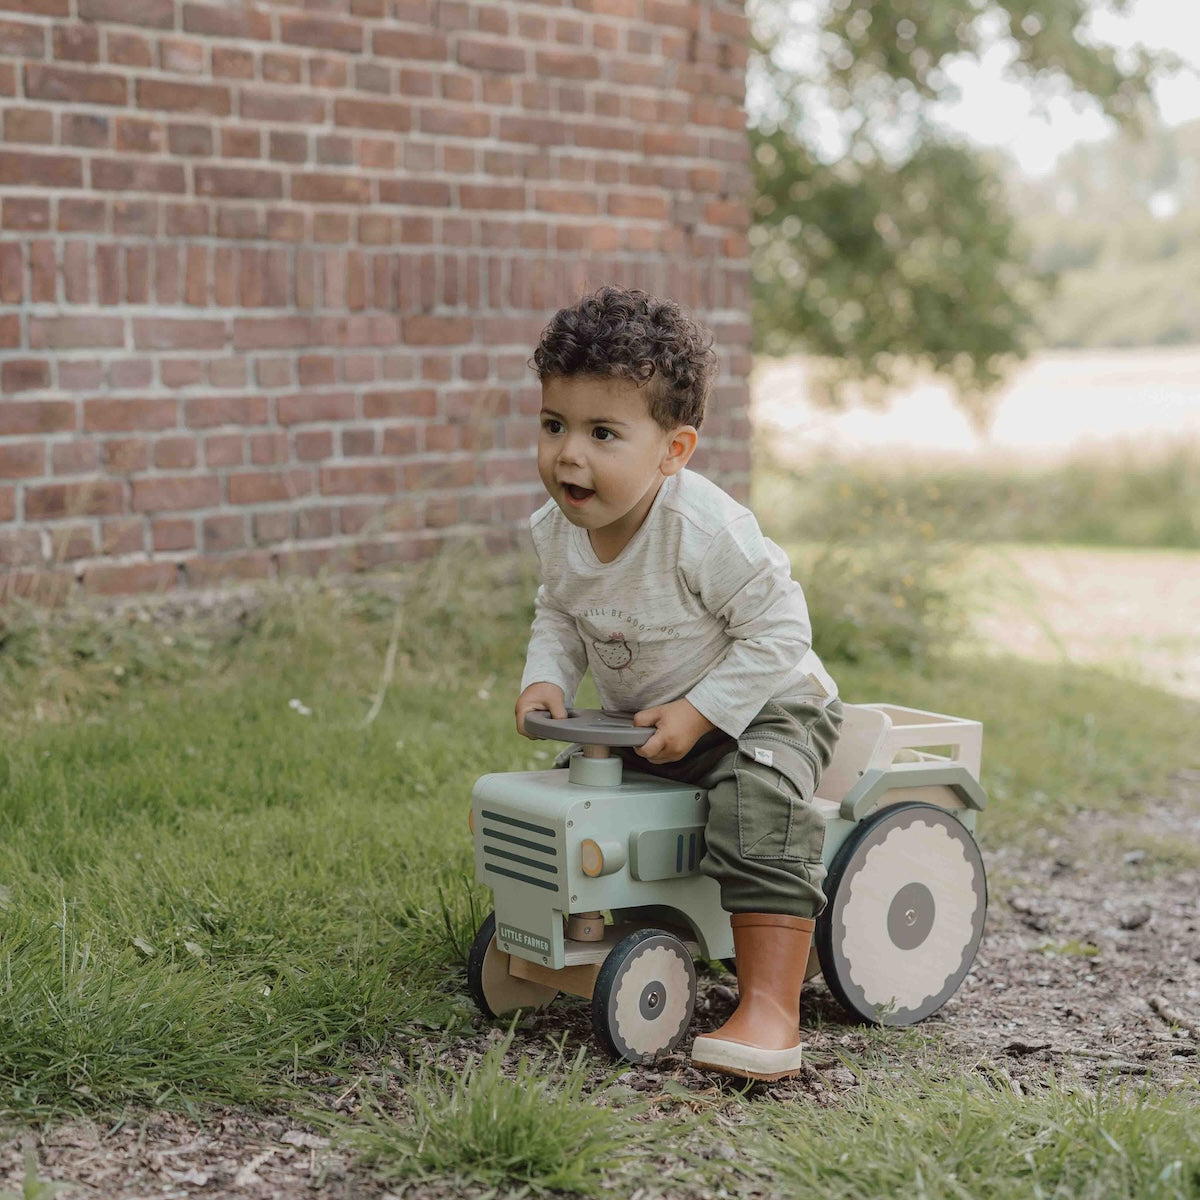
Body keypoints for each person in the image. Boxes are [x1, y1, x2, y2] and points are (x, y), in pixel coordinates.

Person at [513, 285, 843, 1081]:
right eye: (554, 425)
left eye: (602, 433)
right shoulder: (556, 532)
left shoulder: (702, 529)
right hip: (657, 717)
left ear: (675, 449)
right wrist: (545, 680)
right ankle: (594, 941)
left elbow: (781, 629)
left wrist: (703, 712)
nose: (569, 455)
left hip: (767, 703)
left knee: (757, 801)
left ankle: (769, 1004)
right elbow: (558, 614)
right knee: (580, 797)